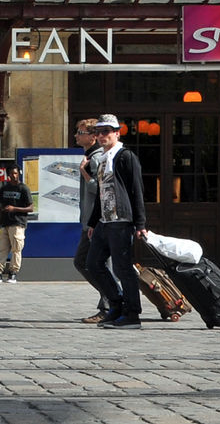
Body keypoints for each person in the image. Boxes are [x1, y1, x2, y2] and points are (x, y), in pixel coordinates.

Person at [81, 114, 147, 329]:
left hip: (122, 220)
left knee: (123, 268)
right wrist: (92, 223)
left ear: (117, 133)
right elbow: (101, 193)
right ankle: (116, 304)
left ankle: (132, 314)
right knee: (92, 263)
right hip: (104, 221)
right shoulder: (102, 160)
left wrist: (140, 224)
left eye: (106, 132)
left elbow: (137, 190)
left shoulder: (125, 156)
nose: (101, 136)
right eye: (98, 132)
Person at [70, 117, 109, 324]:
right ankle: (112, 299)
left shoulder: (95, 159)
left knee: (94, 263)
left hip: (96, 221)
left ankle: (110, 304)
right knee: (84, 262)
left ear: (93, 136)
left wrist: (84, 173)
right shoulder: (91, 156)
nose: (76, 135)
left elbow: (101, 189)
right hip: (90, 221)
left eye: (80, 132)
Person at [0, 167, 33, 283]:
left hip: (17, 222)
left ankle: (13, 272)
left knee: (16, 249)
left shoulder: (23, 188)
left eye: (15, 173)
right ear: (8, 175)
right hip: (5, 222)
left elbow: (31, 208)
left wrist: (14, 208)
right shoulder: (4, 188)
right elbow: (1, 209)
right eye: (11, 173)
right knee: (2, 249)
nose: (14, 175)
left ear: (18, 174)